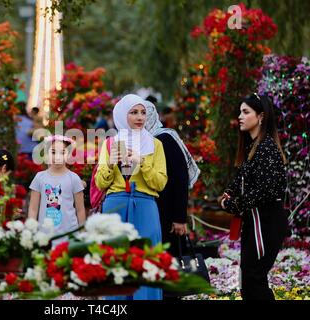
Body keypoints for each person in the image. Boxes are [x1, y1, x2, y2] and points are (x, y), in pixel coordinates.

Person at [95, 94, 168, 300]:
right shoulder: (110, 144)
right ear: (121, 115)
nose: (139, 117)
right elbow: (101, 183)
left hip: (145, 205)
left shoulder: (155, 145)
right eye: (134, 112)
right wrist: (111, 164)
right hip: (115, 205)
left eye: (143, 112)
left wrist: (142, 162)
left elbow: (160, 183)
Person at [220, 93, 288, 300]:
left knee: (254, 280)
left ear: (260, 116)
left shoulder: (266, 148)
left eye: (245, 112)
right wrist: (228, 194)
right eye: (240, 111)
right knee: (250, 281)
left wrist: (232, 204)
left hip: (265, 222)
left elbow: (263, 191)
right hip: (256, 220)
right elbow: (241, 177)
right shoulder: (254, 147)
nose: (240, 116)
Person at [145, 100, 200, 255]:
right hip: (152, 208)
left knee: (170, 256)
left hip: (167, 211)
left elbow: (180, 178)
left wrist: (179, 217)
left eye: (144, 113)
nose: (140, 118)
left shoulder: (165, 138)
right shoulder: (141, 141)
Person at [28, 135, 86, 239]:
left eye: (62, 152)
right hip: (45, 236)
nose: (57, 157)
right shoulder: (39, 177)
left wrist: (82, 233)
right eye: (53, 152)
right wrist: (30, 231)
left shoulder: (74, 178)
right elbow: (33, 208)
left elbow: (80, 209)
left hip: (70, 235)